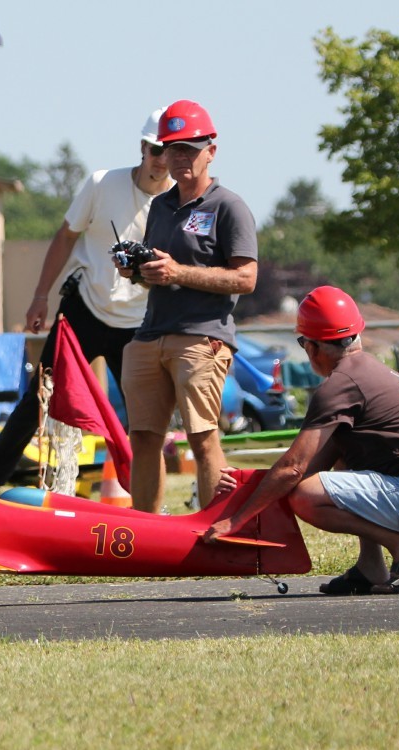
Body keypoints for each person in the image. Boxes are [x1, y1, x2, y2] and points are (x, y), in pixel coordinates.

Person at [204, 286, 399, 595]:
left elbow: (294, 469)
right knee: (343, 459)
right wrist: (246, 482)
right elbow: (306, 467)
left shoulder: (340, 385)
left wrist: (235, 520)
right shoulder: (367, 371)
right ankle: (371, 566)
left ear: (311, 347)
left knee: (307, 497)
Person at [0, 107, 173, 497]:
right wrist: (39, 296)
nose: (162, 160)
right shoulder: (102, 184)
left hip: (137, 323)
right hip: (84, 310)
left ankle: (151, 507)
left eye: (171, 151)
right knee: (38, 401)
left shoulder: (178, 202)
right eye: (156, 149)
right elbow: (65, 237)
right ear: (142, 148)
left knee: (145, 421)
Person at [119, 99, 258, 513]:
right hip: (150, 334)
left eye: (189, 149)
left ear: (210, 151)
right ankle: (143, 531)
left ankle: (215, 529)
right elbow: (158, 274)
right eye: (172, 148)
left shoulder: (229, 206)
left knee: (202, 436)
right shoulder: (160, 206)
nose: (179, 157)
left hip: (202, 337)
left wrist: (178, 271)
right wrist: (136, 270)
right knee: (144, 437)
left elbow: (246, 279)